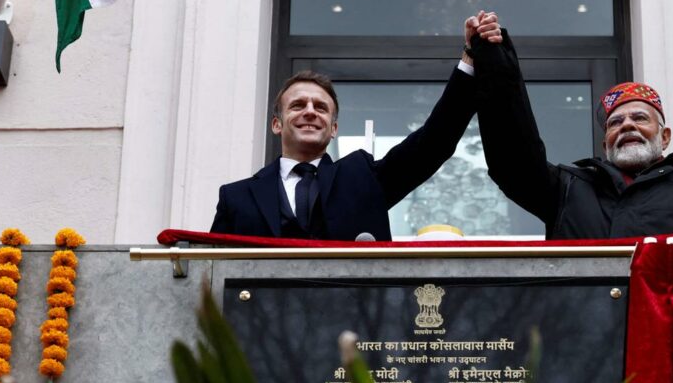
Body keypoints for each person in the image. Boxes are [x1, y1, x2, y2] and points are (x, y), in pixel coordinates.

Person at [210, 13, 503, 240]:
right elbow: (209, 278)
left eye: (321, 107)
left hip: (354, 316)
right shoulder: (236, 197)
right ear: (277, 123)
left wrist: (470, 60)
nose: (310, 112)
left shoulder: (362, 178)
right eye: (298, 105)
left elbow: (432, 143)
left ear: (333, 129)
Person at [469, 25, 673, 241]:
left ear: (665, 136)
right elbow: (513, 162)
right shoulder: (568, 188)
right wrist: (495, 61)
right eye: (615, 123)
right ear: (605, 142)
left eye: (639, 118)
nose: (627, 126)